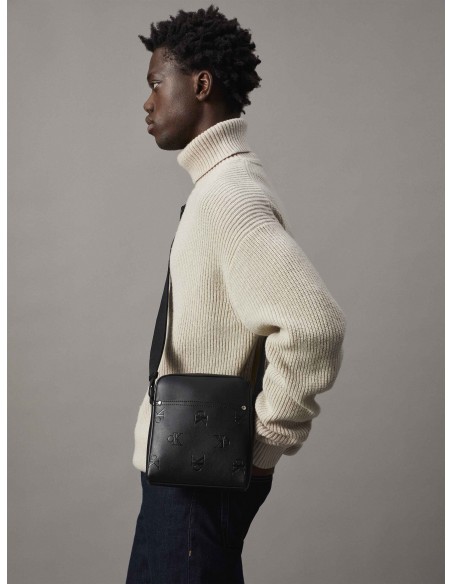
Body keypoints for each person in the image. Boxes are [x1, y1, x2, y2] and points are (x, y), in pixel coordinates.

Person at [126, 5, 346, 583]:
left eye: (156, 84)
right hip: (176, 471)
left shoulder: (229, 194)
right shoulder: (217, 187)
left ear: (201, 84)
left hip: (198, 480)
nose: (147, 103)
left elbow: (316, 324)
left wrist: (264, 444)